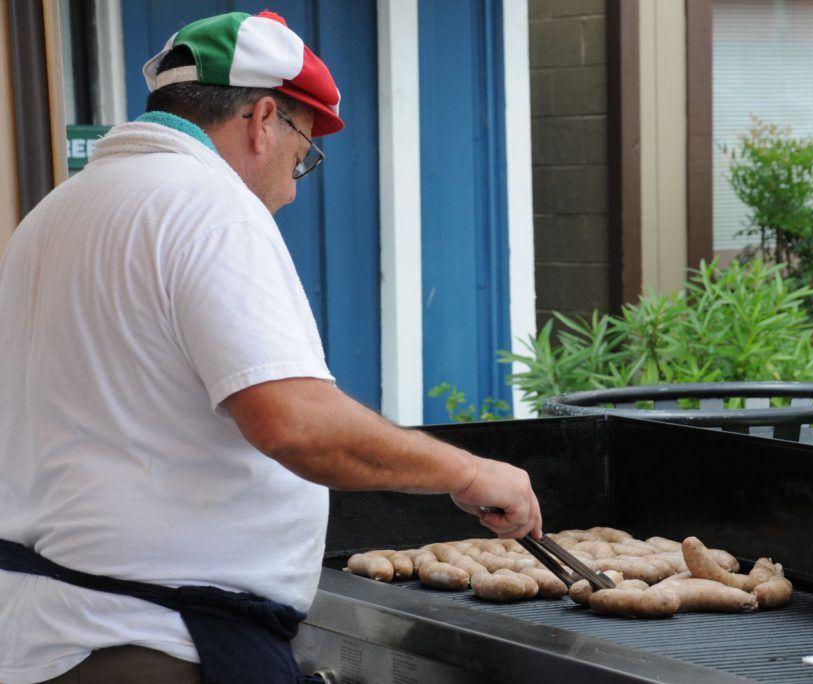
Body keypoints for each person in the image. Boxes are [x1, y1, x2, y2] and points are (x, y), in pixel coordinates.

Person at [0, 10, 542, 683]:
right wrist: (469, 473)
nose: (291, 187)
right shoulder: (207, 205)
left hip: (46, 635)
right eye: (302, 154)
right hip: (160, 643)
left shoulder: (55, 213)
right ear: (262, 120)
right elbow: (295, 422)